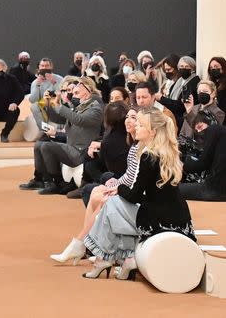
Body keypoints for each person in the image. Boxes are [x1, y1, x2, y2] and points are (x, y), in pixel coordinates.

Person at [81, 108, 195, 280]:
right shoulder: (167, 152)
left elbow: (134, 195)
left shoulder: (148, 155)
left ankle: (105, 258)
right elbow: (154, 194)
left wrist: (118, 189)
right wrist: (119, 190)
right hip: (180, 219)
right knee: (114, 204)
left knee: (112, 205)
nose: (136, 126)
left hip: (159, 220)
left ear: (153, 132)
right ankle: (122, 259)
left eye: (141, 125)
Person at [50, 108, 139, 264]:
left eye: (134, 118)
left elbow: (134, 179)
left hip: (139, 198)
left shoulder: (138, 147)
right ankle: (88, 244)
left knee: (103, 196)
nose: (128, 120)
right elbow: (129, 175)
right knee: (97, 190)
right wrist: (115, 183)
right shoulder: (132, 144)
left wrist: (116, 185)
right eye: (127, 117)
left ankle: (81, 244)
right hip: (127, 186)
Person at [19, 77, 103, 194]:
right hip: (72, 146)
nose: (72, 95)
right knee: (39, 145)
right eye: (69, 91)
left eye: (75, 92)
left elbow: (79, 120)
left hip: (81, 151)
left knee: (46, 146)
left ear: (87, 91)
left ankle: (56, 182)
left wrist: (59, 106)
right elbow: (62, 121)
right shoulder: (80, 107)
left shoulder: (95, 107)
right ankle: (45, 180)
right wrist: (48, 104)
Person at [70, 102, 130, 199]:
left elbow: (110, 164)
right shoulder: (119, 135)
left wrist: (101, 146)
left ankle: (88, 184)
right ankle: (87, 182)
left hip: (122, 180)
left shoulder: (115, 139)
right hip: (122, 175)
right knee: (89, 157)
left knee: (89, 186)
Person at [181, 122, 226, 201]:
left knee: (172, 190)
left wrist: (181, 165)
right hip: (218, 189)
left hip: (214, 190)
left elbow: (201, 165)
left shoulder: (216, 130)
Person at [157, 56, 200, 130]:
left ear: (192, 68)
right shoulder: (179, 81)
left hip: (184, 121)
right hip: (174, 119)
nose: (184, 69)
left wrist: (162, 98)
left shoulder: (194, 82)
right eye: (181, 66)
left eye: (187, 66)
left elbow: (181, 106)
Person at [28, 58, 63, 131]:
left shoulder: (59, 79)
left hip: (56, 103)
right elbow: (32, 100)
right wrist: (38, 85)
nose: (44, 68)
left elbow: (62, 95)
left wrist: (53, 82)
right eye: (42, 66)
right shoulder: (35, 82)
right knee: (34, 106)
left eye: (47, 66)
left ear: (51, 67)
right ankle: (46, 130)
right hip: (43, 104)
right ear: (39, 67)